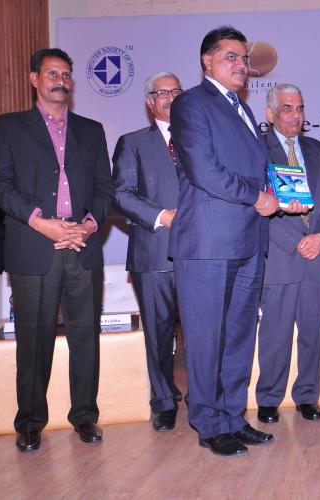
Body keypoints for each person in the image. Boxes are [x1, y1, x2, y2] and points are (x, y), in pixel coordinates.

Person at [169, 26, 303, 458]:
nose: (242, 65)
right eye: (231, 56)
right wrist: (259, 196)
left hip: (249, 240)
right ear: (207, 60)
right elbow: (204, 170)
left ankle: (231, 416)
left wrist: (282, 197)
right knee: (207, 338)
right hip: (208, 242)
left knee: (239, 336)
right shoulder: (191, 103)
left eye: (244, 58)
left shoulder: (243, 108)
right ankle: (208, 423)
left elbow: (256, 168)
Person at [0, 48, 114, 452]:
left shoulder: (91, 130)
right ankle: (29, 421)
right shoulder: (8, 127)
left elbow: (104, 188)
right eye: (53, 73)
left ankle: (84, 416)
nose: (62, 80)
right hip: (33, 246)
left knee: (85, 338)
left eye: (66, 73)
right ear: (34, 80)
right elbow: (0, 185)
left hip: (82, 247)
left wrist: (89, 225)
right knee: (33, 338)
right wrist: (42, 222)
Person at [256, 83, 320, 423]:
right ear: (270, 114)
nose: (295, 115)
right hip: (280, 255)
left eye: (300, 108)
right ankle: (269, 399)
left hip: (316, 255)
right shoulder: (255, 149)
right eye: (288, 108)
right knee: (275, 334)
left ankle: (308, 395)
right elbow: (255, 204)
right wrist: (295, 241)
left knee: (312, 332)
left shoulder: (317, 149)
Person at [112, 71, 184, 432]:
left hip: (200, 254)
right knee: (157, 334)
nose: (170, 98)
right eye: (162, 93)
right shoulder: (133, 142)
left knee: (205, 332)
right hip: (153, 253)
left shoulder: (201, 140)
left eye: (176, 91)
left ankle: (204, 396)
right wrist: (161, 216)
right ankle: (165, 400)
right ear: (149, 101)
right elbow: (121, 194)